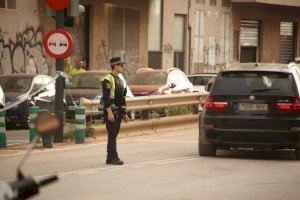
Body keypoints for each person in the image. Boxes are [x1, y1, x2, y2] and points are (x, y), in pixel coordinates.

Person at [101, 57, 129, 165]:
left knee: (113, 134)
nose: (122, 67)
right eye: (121, 65)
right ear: (115, 66)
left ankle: (109, 157)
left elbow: (122, 98)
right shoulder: (108, 79)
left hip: (118, 112)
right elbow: (106, 98)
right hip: (111, 111)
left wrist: (124, 114)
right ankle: (114, 157)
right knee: (112, 134)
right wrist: (109, 112)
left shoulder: (119, 79)